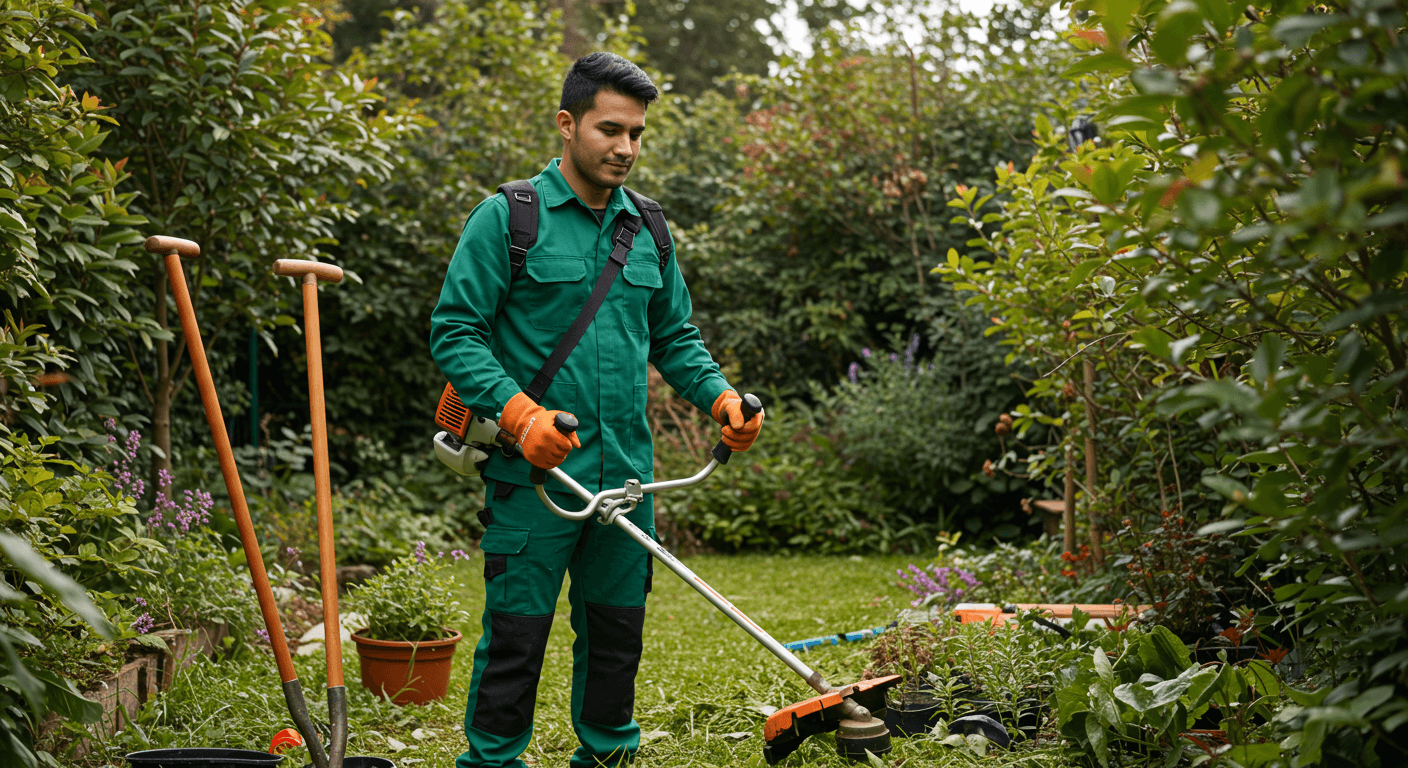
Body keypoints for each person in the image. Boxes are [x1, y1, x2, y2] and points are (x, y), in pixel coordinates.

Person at [429, 52, 764, 768]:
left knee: (616, 640)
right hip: (534, 482)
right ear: (567, 123)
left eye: (637, 133)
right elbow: (455, 332)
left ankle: (608, 757)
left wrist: (722, 397)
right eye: (610, 129)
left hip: (628, 481)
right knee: (516, 640)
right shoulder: (507, 219)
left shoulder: (648, 229)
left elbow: (675, 336)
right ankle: (492, 762)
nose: (625, 148)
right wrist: (520, 416)